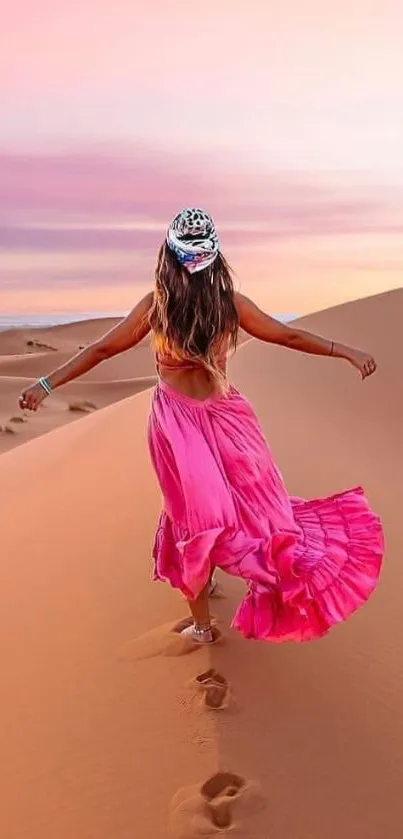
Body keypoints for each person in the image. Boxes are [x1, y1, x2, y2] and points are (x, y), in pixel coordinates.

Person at [19, 207, 384, 645]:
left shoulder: (161, 307)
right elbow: (286, 336)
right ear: (214, 257)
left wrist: (46, 383)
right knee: (213, 508)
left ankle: (204, 628)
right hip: (219, 419)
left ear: (168, 257)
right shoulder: (224, 305)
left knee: (198, 516)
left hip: (186, 423)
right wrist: (346, 351)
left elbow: (101, 350)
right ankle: (207, 590)